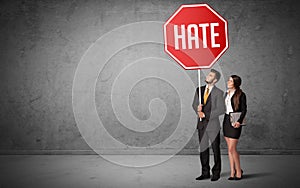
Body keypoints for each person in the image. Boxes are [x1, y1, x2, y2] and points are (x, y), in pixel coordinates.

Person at [192, 69, 225, 181]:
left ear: (215, 80)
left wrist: (205, 114)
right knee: (203, 149)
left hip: (213, 126)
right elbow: (194, 104)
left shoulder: (219, 93)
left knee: (216, 149)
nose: (208, 76)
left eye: (210, 75)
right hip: (201, 126)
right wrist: (197, 109)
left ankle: (216, 173)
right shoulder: (199, 90)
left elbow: (221, 109)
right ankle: (205, 172)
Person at [223, 75, 247, 181]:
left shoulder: (241, 95)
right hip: (226, 120)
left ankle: (238, 171)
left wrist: (239, 121)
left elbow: (244, 110)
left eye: (230, 81)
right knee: (229, 149)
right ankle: (232, 171)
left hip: (235, 120)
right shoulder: (226, 94)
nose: (228, 82)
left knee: (232, 149)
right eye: (228, 80)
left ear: (235, 83)